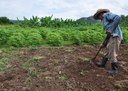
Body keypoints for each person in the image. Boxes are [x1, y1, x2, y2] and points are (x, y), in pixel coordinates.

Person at [93, 9, 123, 74]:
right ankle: (103, 64)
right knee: (108, 50)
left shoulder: (106, 15)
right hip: (112, 36)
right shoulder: (105, 19)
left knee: (112, 52)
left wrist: (111, 29)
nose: (99, 19)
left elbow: (117, 17)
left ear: (100, 14)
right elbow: (109, 34)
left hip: (115, 36)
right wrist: (104, 44)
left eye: (98, 17)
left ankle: (114, 70)